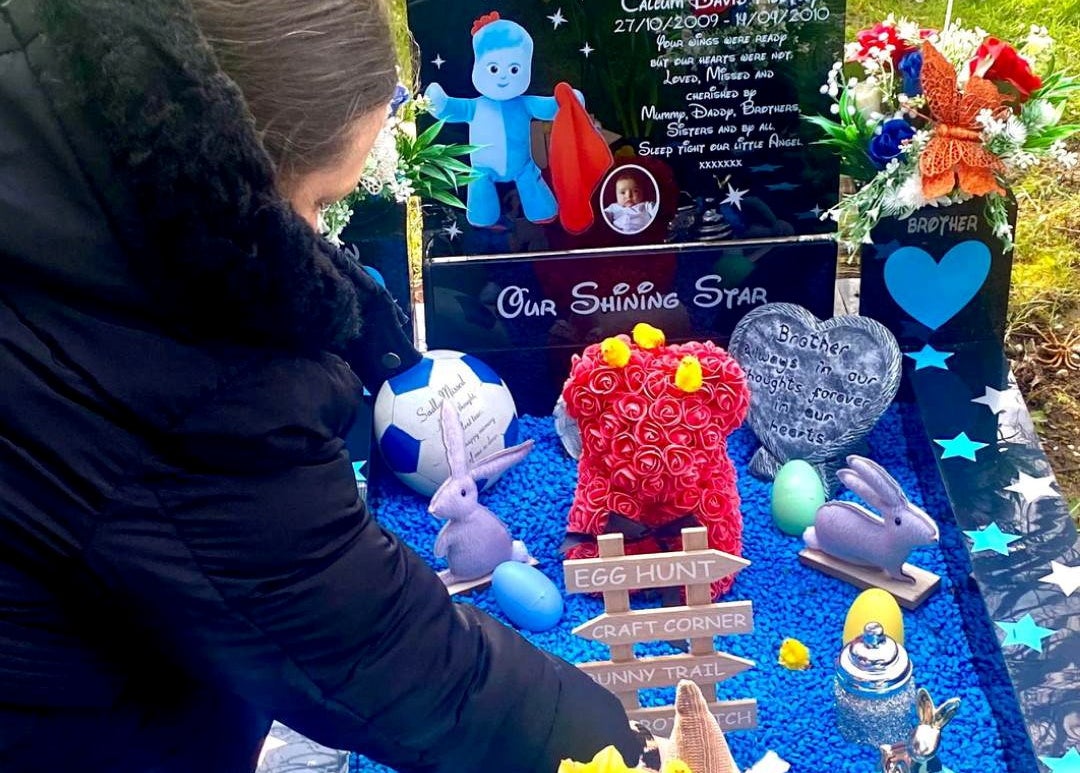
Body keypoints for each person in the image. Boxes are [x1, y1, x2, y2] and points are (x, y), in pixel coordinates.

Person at [0, 1, 644, 771]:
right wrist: (619, 748)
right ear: (227, 163)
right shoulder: (198, 386)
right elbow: (385, 648)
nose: (316, 238)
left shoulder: (43, 102)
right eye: (317, 204)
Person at [603, 170, 659, 235]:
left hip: (642, 235)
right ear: (616, 195)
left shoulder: (646, 205)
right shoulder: (613, 207)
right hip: (617, 236)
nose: (628, 196)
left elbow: (657, 209)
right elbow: (603, 217)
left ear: (642, 192)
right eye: (623, 192)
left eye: (635, 191)